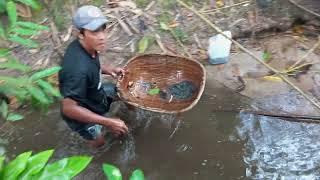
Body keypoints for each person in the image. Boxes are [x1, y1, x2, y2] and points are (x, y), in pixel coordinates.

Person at [59, 5, 129, 147]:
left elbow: (91, 65)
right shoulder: (76, 71)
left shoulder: (87, 47)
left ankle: (118, 117)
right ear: (80, 33)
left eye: (103, 28)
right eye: (94, 31)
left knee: (122, 92)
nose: (102, 36)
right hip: (82, 113)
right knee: (100, 143)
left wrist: (108, 70)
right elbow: (68, 108)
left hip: (95, 95)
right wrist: (108, 122)